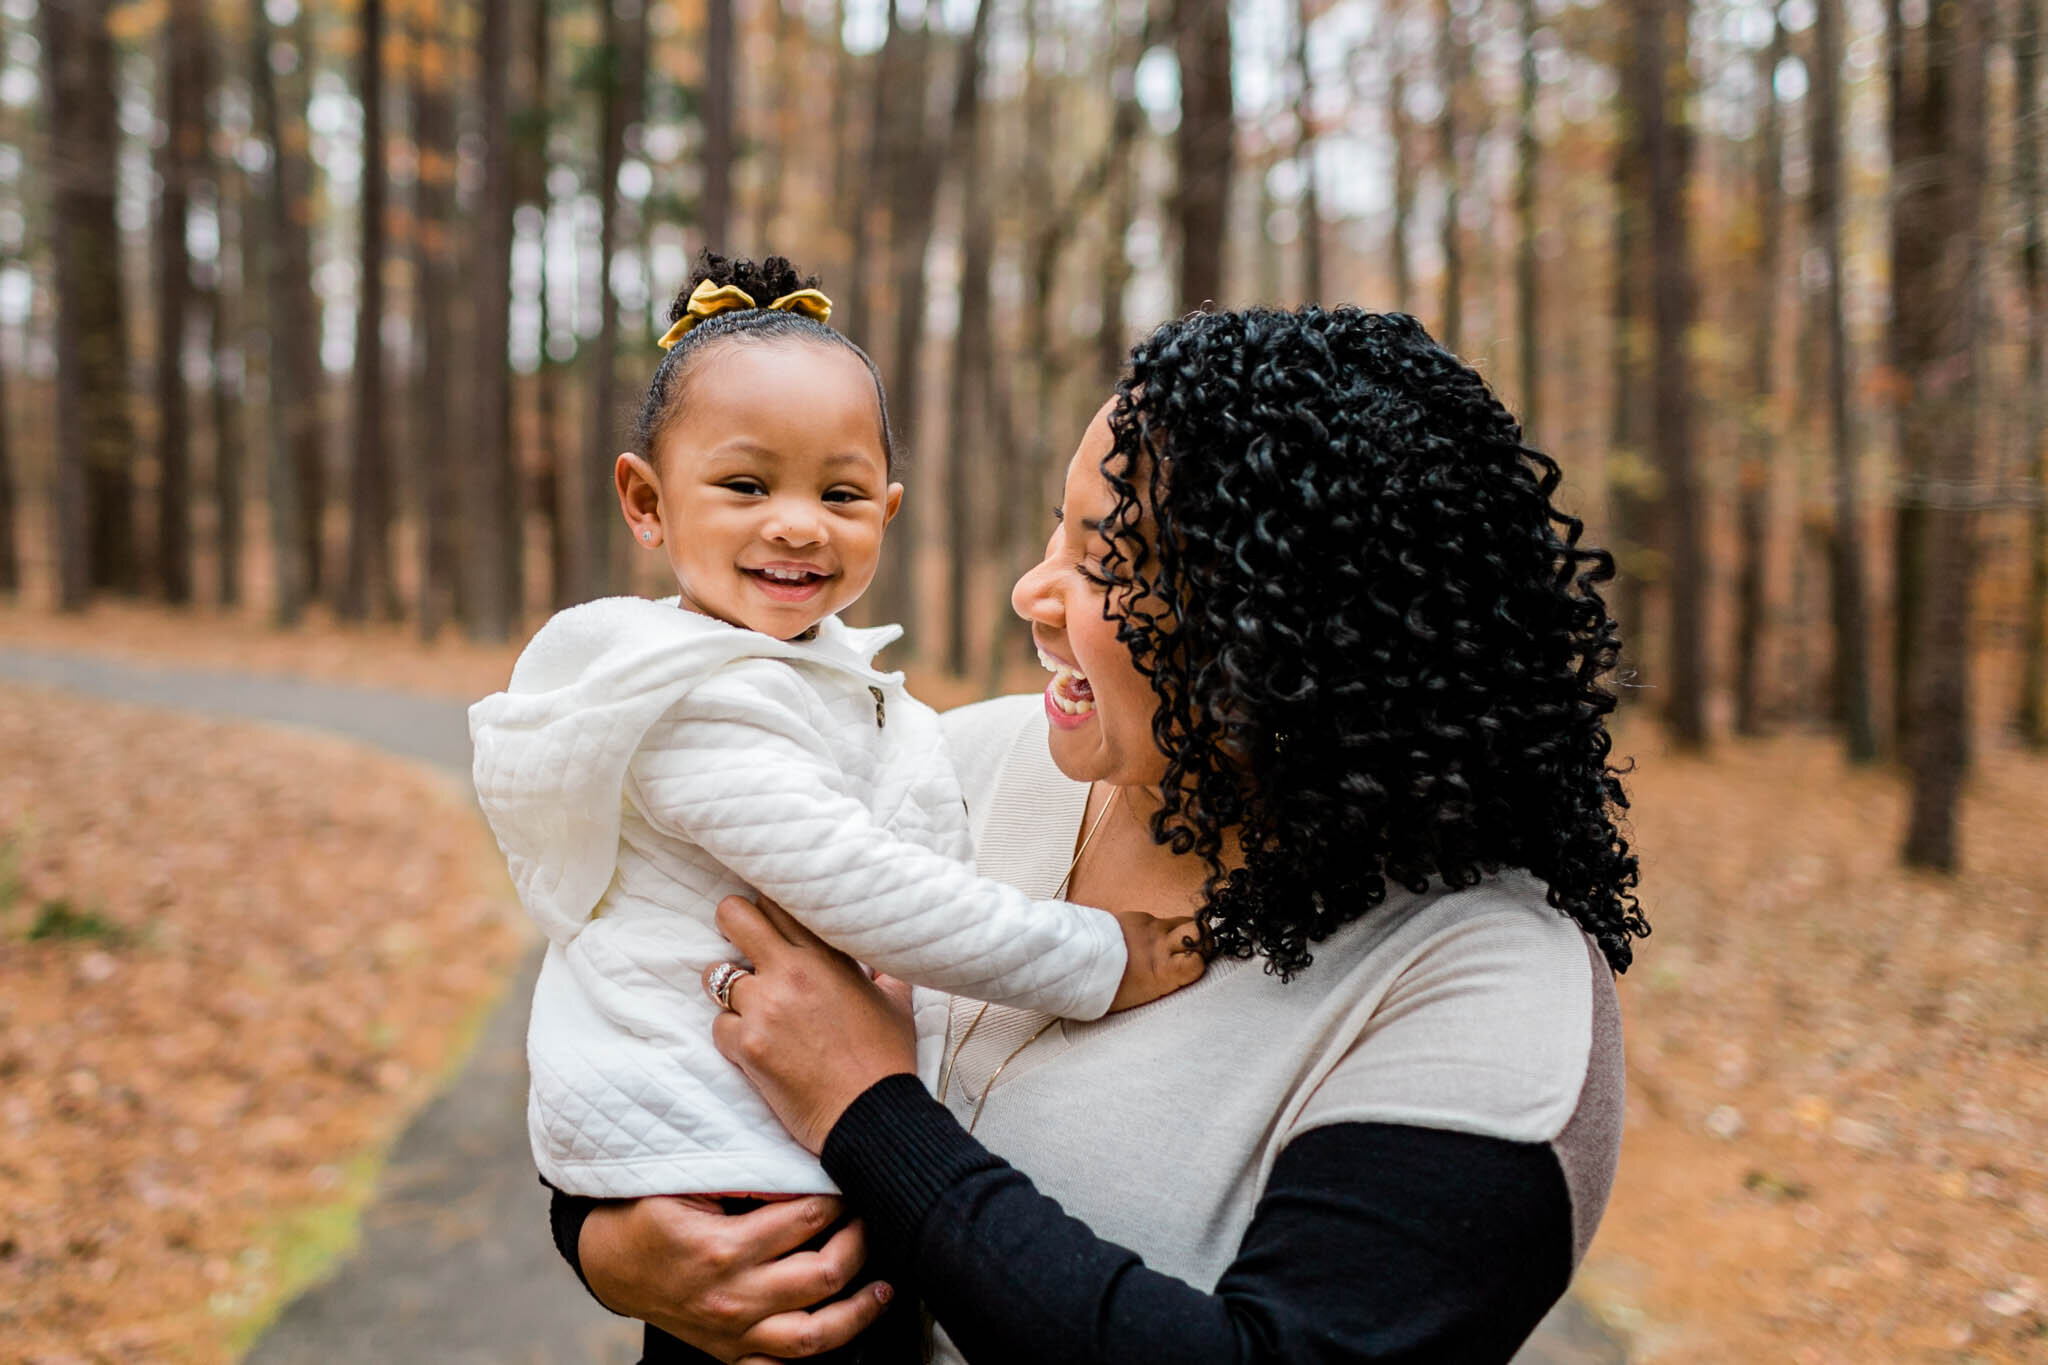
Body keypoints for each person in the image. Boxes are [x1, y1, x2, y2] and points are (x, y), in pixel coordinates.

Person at [552, 305, 1650, 1364]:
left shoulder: (1482, 986)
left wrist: (868, 1113)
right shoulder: (957, 766)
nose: (1032, 591)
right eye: (1056, 531)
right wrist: (610, 1247)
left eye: (1109, 565)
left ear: (1287, 636)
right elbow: (647, 998)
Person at [468, 253, 1201, 1230]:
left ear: (886, 512)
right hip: (716, 1138)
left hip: (756, 1124)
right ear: (645, 502)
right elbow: (862, 889)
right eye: (744, 484)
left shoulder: (814, 675)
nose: (797, 526)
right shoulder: (691, 700)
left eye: (841, 496)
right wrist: (1093, 959)